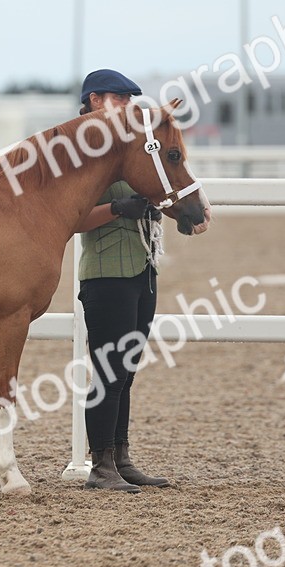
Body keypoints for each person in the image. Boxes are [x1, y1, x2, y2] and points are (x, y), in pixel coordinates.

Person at [74, 69, 211, 493]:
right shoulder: (83, 153)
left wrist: (182, 211)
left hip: (140, 269)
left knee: (126, 371)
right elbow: (74, 219)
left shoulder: (129, 148)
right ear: (95, 101)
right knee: (108, 371)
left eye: (131, 102)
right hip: (107, 272)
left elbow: (160, 184)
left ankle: (120, 456)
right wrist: (119, 209)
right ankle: (100, 465)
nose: (128, 108)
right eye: (119, 99)